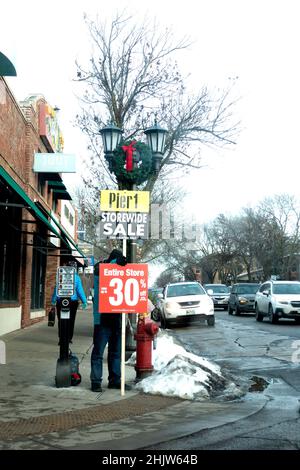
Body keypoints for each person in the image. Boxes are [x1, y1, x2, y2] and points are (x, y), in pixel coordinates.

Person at [90, 249, 128, 392]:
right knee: (98, 352)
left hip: (116, 318)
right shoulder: (99, 267)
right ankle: (96, 382)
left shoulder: (120, 271)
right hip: (102, 319)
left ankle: (115, 380)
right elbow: (104, 270)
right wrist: (115, 263)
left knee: (115, 353)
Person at [51, 259, 87, 344]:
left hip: (61, 301)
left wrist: (53, 300)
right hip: (72, 302)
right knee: (71, 320)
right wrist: (84, 301)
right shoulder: (77, 277)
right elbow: (79, 290)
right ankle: (69, 338)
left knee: (61, 320)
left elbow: (57, 288)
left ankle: (61, 339)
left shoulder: (61, 275)